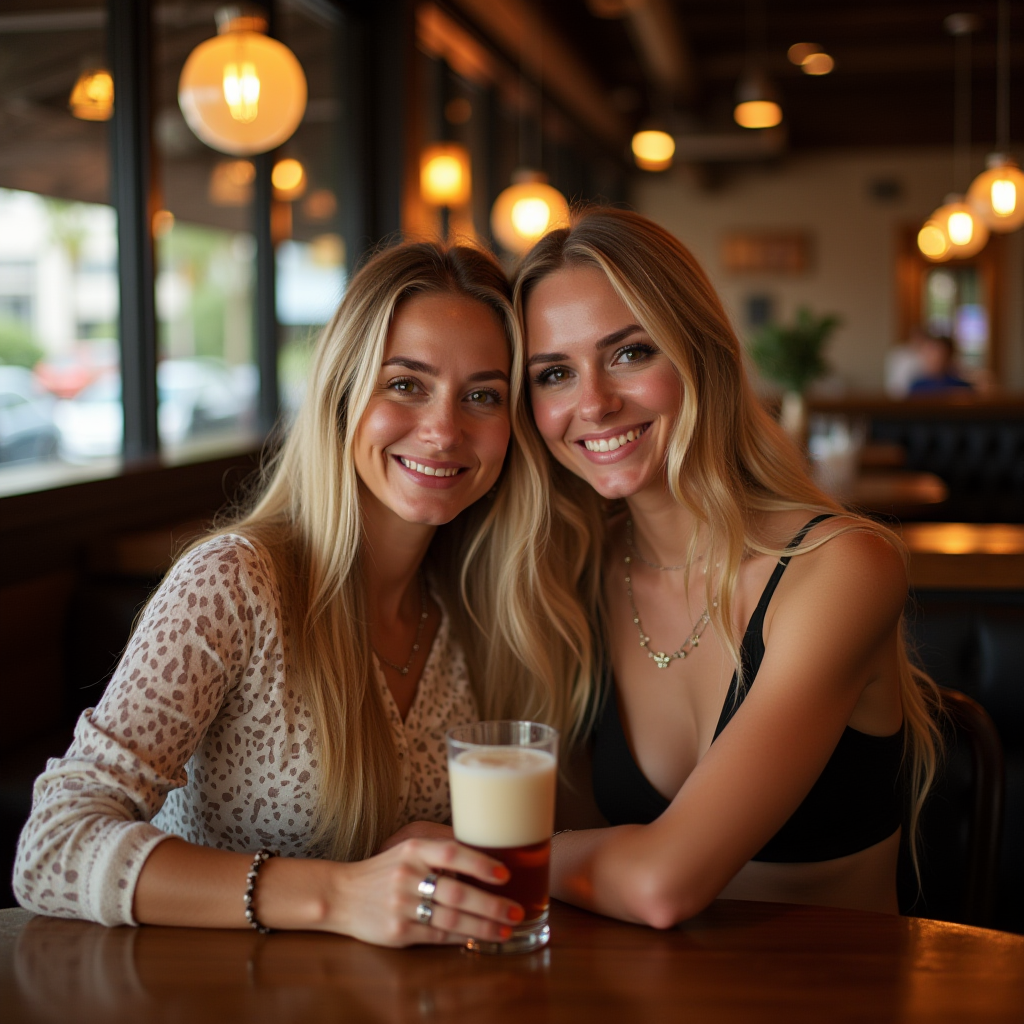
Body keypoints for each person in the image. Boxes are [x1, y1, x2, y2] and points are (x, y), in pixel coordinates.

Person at [14, 241, 587, 947]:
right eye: (405, 383)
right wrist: (339, 895)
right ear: (342, 393)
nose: (444, 430)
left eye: (482, 396)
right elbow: (52, 849)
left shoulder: (481, 605)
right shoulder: (232, 582)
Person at [512, 207, 941, 925]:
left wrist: (489, 854)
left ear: (699, 353)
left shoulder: (841, 568)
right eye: (554, 373)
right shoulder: (576, 579)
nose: (593, 402)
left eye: (630, 353)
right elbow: (584, 842)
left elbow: (659, 885)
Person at [907, 333, 973, 395]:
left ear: (949, 357)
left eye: (939, 355)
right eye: (929, 354)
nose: (933, 359)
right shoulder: (917, 387)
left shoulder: (961, 388)